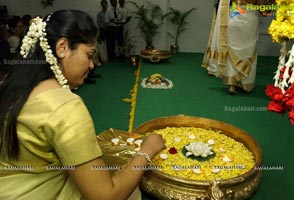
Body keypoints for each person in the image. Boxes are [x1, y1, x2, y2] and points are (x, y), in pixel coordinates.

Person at [0, 9, 166, 200]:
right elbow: (106, 196)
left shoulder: (9, 85)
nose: (92, 64)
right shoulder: (65, 107)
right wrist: (147, 151)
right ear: (62, 47)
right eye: (89, 55)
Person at [202, 0, 266, 93]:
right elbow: (263, 11)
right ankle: (245, 84)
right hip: (249, 20)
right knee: (248, 52)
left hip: (235, 17)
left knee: (233, 50)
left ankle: (232, 85)